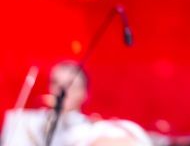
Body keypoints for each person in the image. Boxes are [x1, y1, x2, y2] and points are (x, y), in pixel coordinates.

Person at [1, 61, 151, 146]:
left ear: (84, 93)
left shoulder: (92, 128)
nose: (62, 90)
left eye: (71, 85)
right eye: (56, 83)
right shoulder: (25, 121)